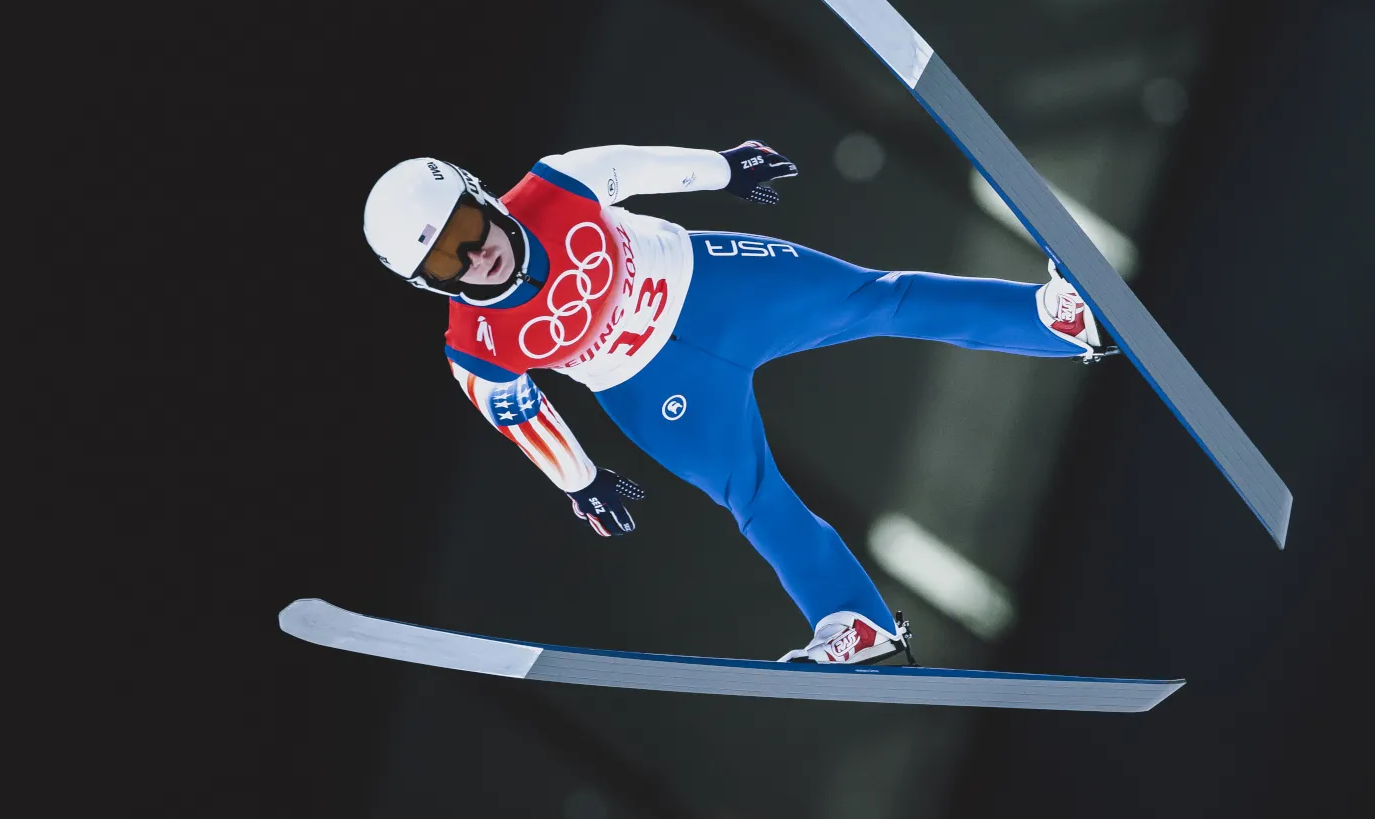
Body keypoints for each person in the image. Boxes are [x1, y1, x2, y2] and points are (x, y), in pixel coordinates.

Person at [362, 143, 1106, 665]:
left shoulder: (556, 185)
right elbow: (520, 415)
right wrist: (579, 480)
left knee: (879, 299)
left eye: (465, 229)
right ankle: (854, 623)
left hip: (714, 288)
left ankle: (1055, 320)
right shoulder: (473, 346)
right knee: (751, 494)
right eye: (446, 260)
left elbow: (639, 166)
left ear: (480, 196)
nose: (475, 256)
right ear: (430, 283)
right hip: (648, 387)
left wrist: (726, 168)